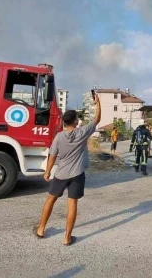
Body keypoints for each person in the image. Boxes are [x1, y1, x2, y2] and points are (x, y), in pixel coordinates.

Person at [34, 93, 101, 246]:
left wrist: (47, 171)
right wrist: (98, 103)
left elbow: (52, 156)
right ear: (75, 121)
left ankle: (41, 229)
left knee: (50, 199)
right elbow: (97, 119)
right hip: (77, 174)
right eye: (77, 118)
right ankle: (67, 238)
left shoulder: (58, 137)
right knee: (72, 204)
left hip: (61, 174)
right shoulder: (82, 133)